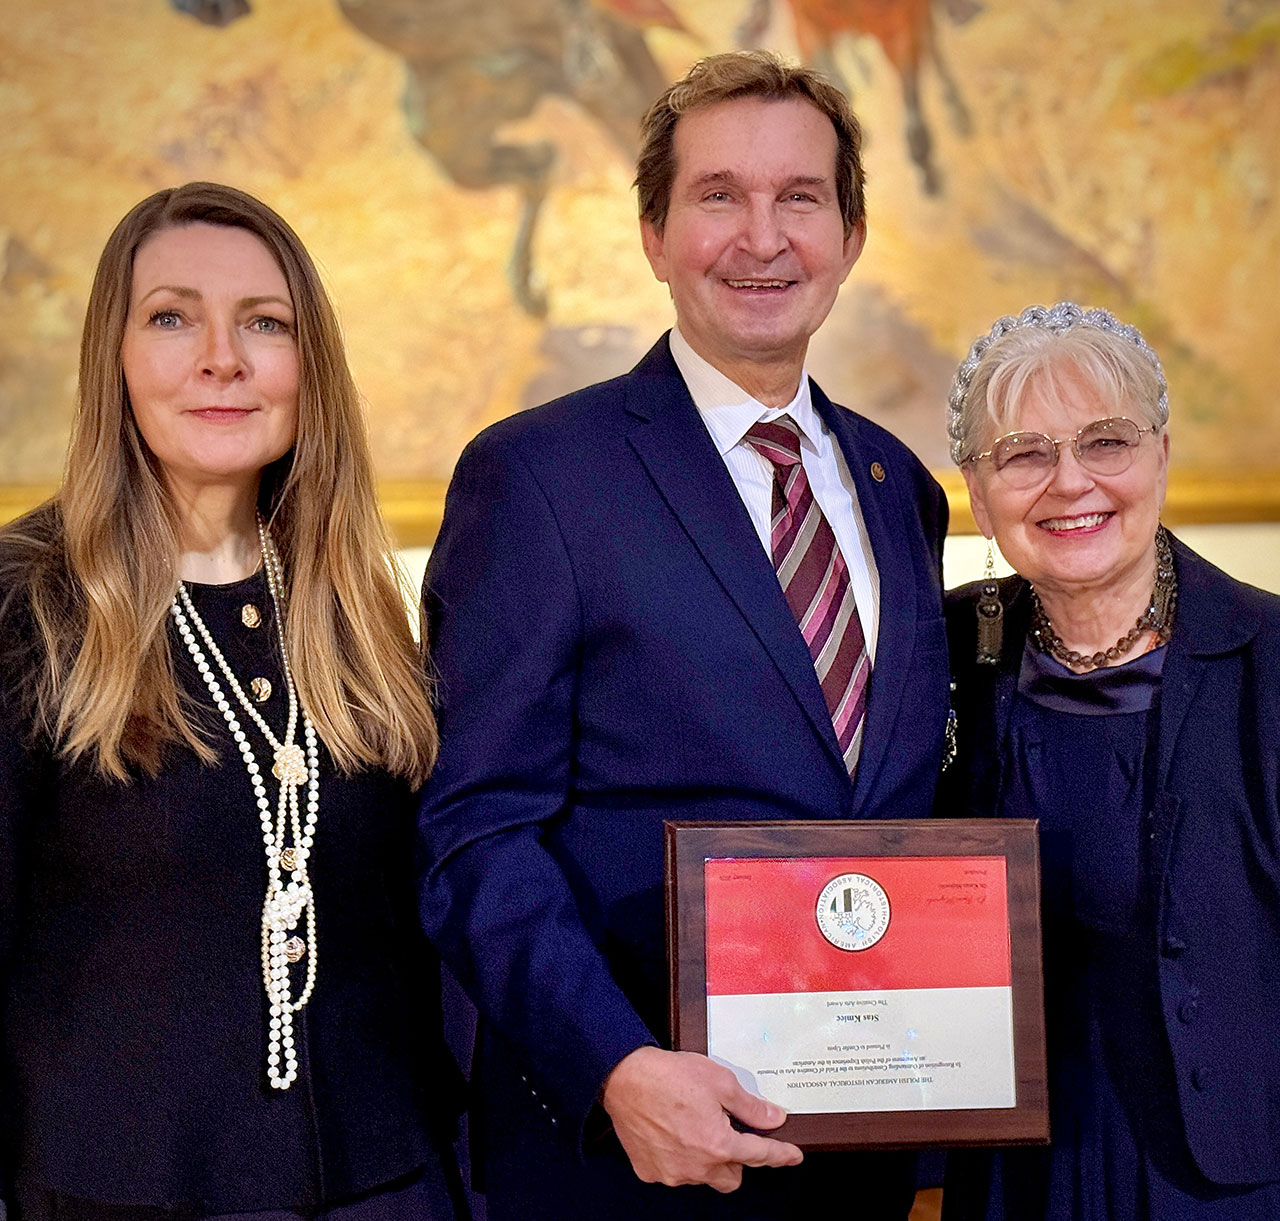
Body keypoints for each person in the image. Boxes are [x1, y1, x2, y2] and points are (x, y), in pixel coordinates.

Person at [418, 51, 950, 1220]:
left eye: (798, 197)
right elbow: (473, 831)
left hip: (854, 1161)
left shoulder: (899, 487)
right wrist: (613, 1068)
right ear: (654, 235)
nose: (761, 237)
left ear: (850, 235)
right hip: (626, 1161)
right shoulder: (537, 478)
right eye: (718, 196)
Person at [0, 183, 465, 1219]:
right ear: (115, 358)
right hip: (115, 1192)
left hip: (386, 1185)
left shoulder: (356, 605)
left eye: (264, 323)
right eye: (173, 318)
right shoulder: (24, 603)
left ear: (309, 366)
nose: (222, 359)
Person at [942, 301, 1280, 1219]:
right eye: (1022, 454)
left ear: (1161, 455)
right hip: (1007, 1174)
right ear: (978, 491)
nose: (1069, 482)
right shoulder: (942, 654)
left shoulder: (1270, 660)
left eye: (1106, 442)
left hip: (1230, 1182)